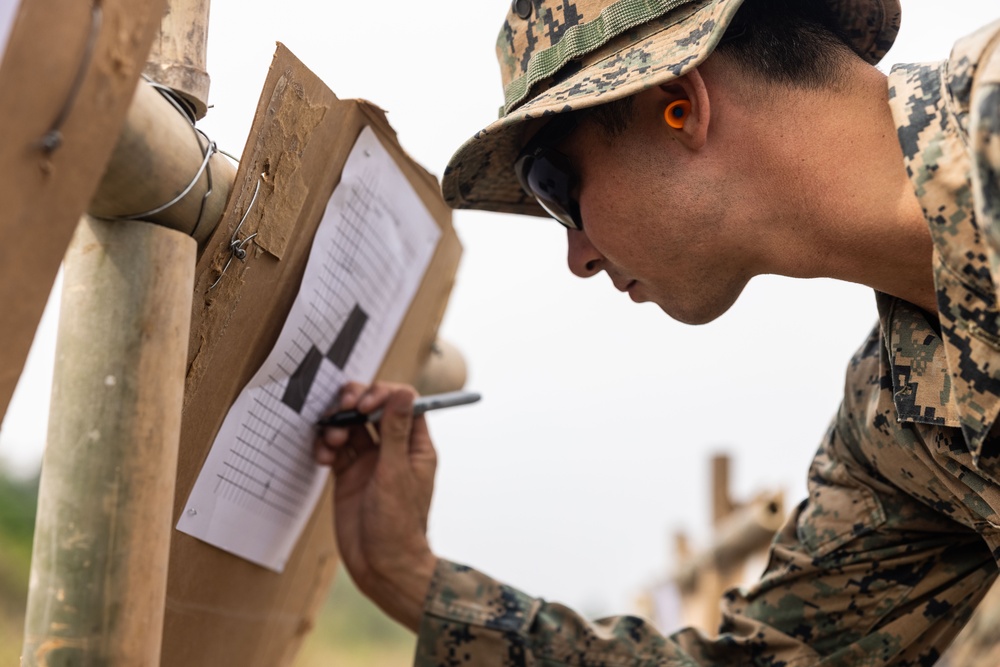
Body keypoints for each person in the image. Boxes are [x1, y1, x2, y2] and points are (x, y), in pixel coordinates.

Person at [313, 0, 1000, 663]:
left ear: (680, 104)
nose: (578, 257)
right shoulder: (896, 419)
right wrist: (411, 577)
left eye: (556, 187)